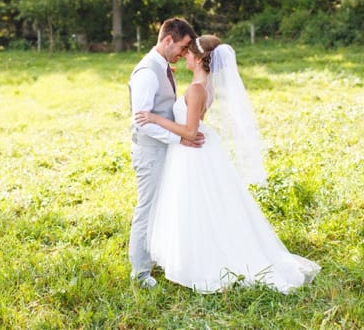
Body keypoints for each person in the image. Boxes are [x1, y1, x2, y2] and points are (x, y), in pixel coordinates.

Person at [135, 35, 320, 293]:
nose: (185, 55)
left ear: (199, 59)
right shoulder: (204, 85)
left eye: (189, 52)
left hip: (192, 152)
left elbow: (189, 131)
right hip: (196, 151)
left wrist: (155, 118)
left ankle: (202, 260)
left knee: (196, 208)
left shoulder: (198, 89)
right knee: (203, 206)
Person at [128, 17, 205, 289]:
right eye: (183, 46)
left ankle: (156, 255)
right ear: (168, 40)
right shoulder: (148, 72)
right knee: (147, 208)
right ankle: (139, 272)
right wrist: (179, 138)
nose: (185, 53)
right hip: (150, 152)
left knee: (161, 206)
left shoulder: (163, 67)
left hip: (165, 149)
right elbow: (142, 121)